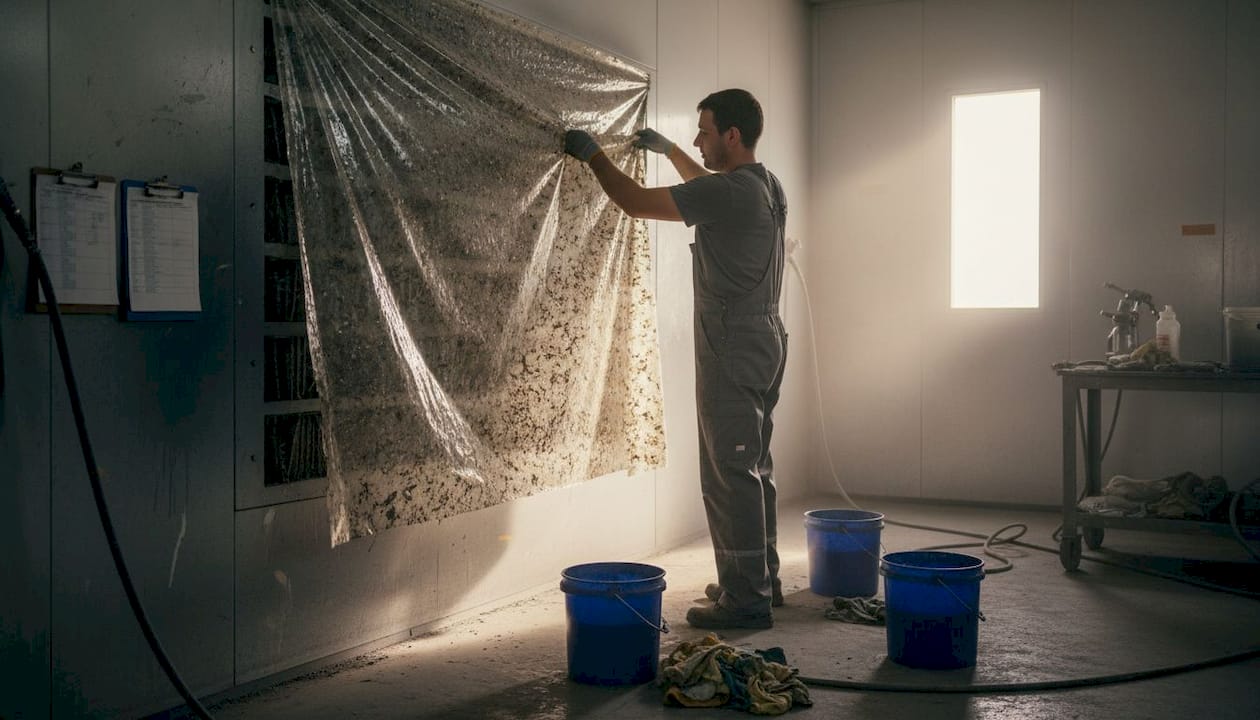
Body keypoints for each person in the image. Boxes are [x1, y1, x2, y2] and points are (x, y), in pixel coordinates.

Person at [564, 88, 788, 630]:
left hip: (732, 344)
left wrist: (593, 153)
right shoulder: (764, 184)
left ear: (731, 136)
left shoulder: (733, 192)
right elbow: (710, 189)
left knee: (729, 473)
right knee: (753, 465)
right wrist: (670, 152)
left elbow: (636, 202)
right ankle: (761, 580)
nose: (697, 140)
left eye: (704, 132)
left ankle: (745, 601)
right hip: (764, 338)